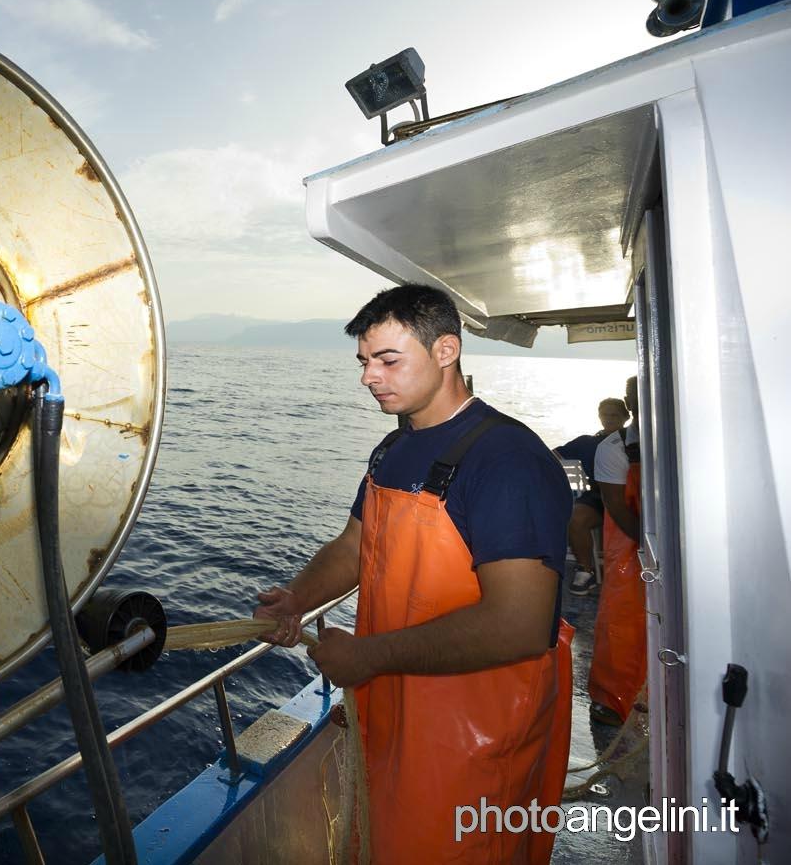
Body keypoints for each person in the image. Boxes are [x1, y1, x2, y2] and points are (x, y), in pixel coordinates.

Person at [254, 284, 573, 863]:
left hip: (473, 740)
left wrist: (368, 657)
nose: (369, 377)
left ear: (446, 350)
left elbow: (521, 624)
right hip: (396, 718)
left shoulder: (507, 460)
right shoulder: (392, 450)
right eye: (364, 362)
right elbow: (355, 546)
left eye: (387, 360)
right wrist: (298, 597)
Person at [587, 376, 646, 725]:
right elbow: (617, 507)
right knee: (622, 621)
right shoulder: (614, 448)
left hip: (675, 549)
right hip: (629, 548)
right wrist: (656, 546)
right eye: (638, 395)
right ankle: (613, 699)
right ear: (629, 402)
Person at [554, 397, 629, 594]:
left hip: (630, 500)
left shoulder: (635, 443)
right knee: (575, 516)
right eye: (605, 414)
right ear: (599, 417)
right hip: (598, 500)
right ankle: (586, 571)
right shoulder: (586, 442)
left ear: (626, 417)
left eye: (615, 415)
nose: (609, 419)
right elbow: (551, 456)